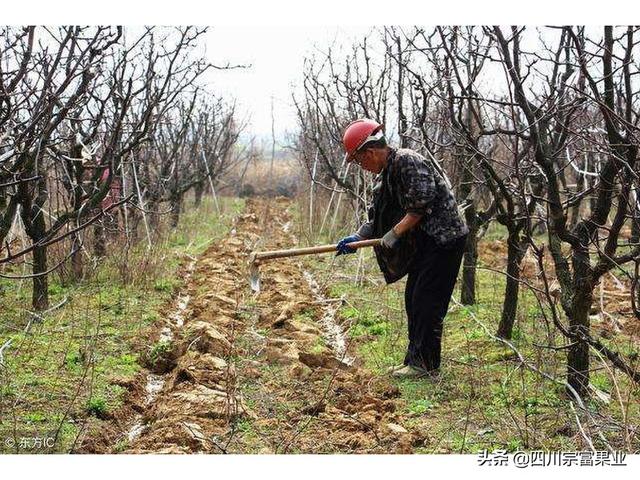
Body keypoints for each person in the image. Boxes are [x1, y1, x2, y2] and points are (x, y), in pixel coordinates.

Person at [336, 118, 469, 379]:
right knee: (413, 299)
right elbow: (377, 217)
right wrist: (357, 237)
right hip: (425, 243)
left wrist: (394, 234)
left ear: (371, 152)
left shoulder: (408, 161)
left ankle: (426, 366)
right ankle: (414, 360)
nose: (363, 167)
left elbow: (419, 206)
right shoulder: (384, 175)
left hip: (444, 240)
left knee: (427, 301)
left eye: (361, 161)